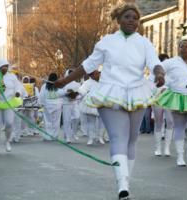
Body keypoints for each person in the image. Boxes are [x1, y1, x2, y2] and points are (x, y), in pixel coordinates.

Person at [54, 3, 164, 199]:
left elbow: (154, 62)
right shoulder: (106, 42)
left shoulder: (144, 43)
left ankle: (126, 182)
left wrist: (159, 73)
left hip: (137, 92)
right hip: (111, 92)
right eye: (128, 17)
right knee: (118, 138)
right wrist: (66, 80)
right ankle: (122, 186)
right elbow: (88, 65)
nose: (132, 21)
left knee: (132, 139)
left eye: (135, 18)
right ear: (119, 19)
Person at [0, 59, 22, 154]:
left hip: (9, 102)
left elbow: (18, 86)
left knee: (9, 123)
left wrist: (18, 92)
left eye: (6, 66)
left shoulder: (12, 76)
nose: (5, 68)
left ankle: (7, 141)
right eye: (3, 66)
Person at [151, 54, 174, 156]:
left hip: (169, 100)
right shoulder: (154, 73)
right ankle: (158, 148)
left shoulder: (171, 73)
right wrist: (158, 89)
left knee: (170, 122)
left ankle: (167, 148)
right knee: (159, 122)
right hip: (158, 100)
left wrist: (168, 89)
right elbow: (150, 87)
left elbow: (175, 85)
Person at [78, 70, 105, 145]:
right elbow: (81, 90)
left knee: (102, 122)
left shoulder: (103, 81)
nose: (99, 75)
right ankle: (90, 138)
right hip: (91, 105)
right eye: (97, 74)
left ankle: (100, 137)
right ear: (92, 76)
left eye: (99, 73)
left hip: (102, 103)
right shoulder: (87, 82)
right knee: (91, 122)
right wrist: (87, 94)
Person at [39, 73, 65, 141]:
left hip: (47, 105)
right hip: (57, 105)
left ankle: (48, 136)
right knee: (56, 121)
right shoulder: (59, 85)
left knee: (47, 121)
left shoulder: (44, 86)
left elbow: (41, 96)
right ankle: (54, 135)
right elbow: (62, 94)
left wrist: (41, 103)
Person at [62, 69, 81, 144]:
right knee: (67, 120)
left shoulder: (77, 84)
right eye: (70, 74)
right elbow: (59, 93)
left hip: (74, 103)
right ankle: (67, 137)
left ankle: (74, 133)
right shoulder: (63, 84)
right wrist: (66, 93)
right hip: (66, 104)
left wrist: (75, 96)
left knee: (77, 117)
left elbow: (80, 94)